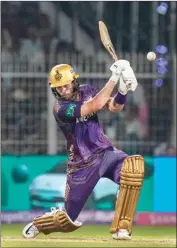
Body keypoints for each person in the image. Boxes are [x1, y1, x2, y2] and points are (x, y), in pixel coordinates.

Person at [22, 60, 144, 240]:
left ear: (73, 81)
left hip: (105, 152)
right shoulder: (60, 108)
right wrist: (115, 77)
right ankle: (39, 224)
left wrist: (123, 91)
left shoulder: (87, 90)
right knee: (68, 219)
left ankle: (122, 228)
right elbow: (93, 106)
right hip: (82, 164)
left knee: (132, 170)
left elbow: (114, 107)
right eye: (59, 87)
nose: (63, 89)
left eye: (66, 84)